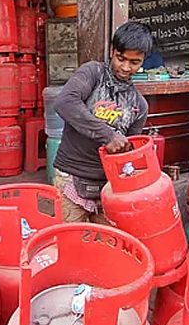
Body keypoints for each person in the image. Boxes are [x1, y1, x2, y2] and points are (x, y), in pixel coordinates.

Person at [52, 21, 152, 223]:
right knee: (71, 244)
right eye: (121, 58)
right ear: (112, 51)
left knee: (106, 246)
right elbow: (65, 102)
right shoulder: (93, 73)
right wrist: (107, 135)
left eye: (134, 62)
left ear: (143, 61)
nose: (125, 67)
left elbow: (128, 154)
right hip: (71, 175)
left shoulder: (139, 106)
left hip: (109, 186)